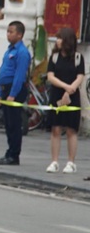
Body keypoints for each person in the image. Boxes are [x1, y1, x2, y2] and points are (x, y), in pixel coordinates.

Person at [45, 26, 85, 174]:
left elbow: (80, 76)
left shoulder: (78, 58)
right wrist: (66, 87)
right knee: (55, 129)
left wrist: (71, 88)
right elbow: (50, 76)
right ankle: (54, 161)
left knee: (71, 130)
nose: (58, 41)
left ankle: (71, 162)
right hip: (57, 95)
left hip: (72, 98)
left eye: (60, 38)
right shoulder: (54, 57)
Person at [0, 20, 32, 166]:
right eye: (7, 31)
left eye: (11, 31)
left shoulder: (22, 53)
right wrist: (0, 94)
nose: (8, 34)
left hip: (14, 90)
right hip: (5, 89)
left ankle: (14, 155)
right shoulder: (10, 50)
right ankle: (9, 152)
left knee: (14, 123)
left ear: (20, 35)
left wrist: (12, 94)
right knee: (8, 123)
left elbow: (19, 75)